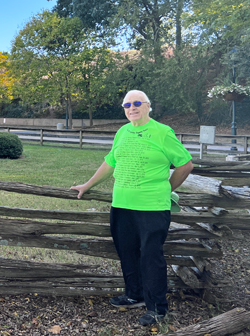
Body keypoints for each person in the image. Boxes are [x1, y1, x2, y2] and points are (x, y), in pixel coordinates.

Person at [71, 90, 193, 326]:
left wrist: (166, 190)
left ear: (148, 106)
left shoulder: (162, 132)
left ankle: (157, 308)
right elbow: (110, 162)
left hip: (151, 207)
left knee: (150, 257)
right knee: (127, 252)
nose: (131, 107)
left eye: (137, 103)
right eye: (127, 104)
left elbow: (185, 165)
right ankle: (134, 294)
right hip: (122, 205)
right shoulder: (122, 131)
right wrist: (87, 185)